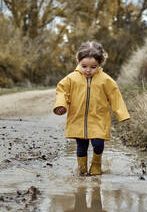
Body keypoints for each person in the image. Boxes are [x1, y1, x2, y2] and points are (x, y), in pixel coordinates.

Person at [53, 41, 130, 175]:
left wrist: (122, 114)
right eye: (84, 66)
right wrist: (61, 105)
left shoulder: (106, 80)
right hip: (78, 118)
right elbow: (62, 91)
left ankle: (96, 163)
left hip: (99, 118)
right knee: (81, 146)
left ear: (100, 64)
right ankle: (82, 169)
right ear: (78, 61)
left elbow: (115, 96)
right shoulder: (71, 79)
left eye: (93, 67)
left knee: (98, 143)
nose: (88, 70)